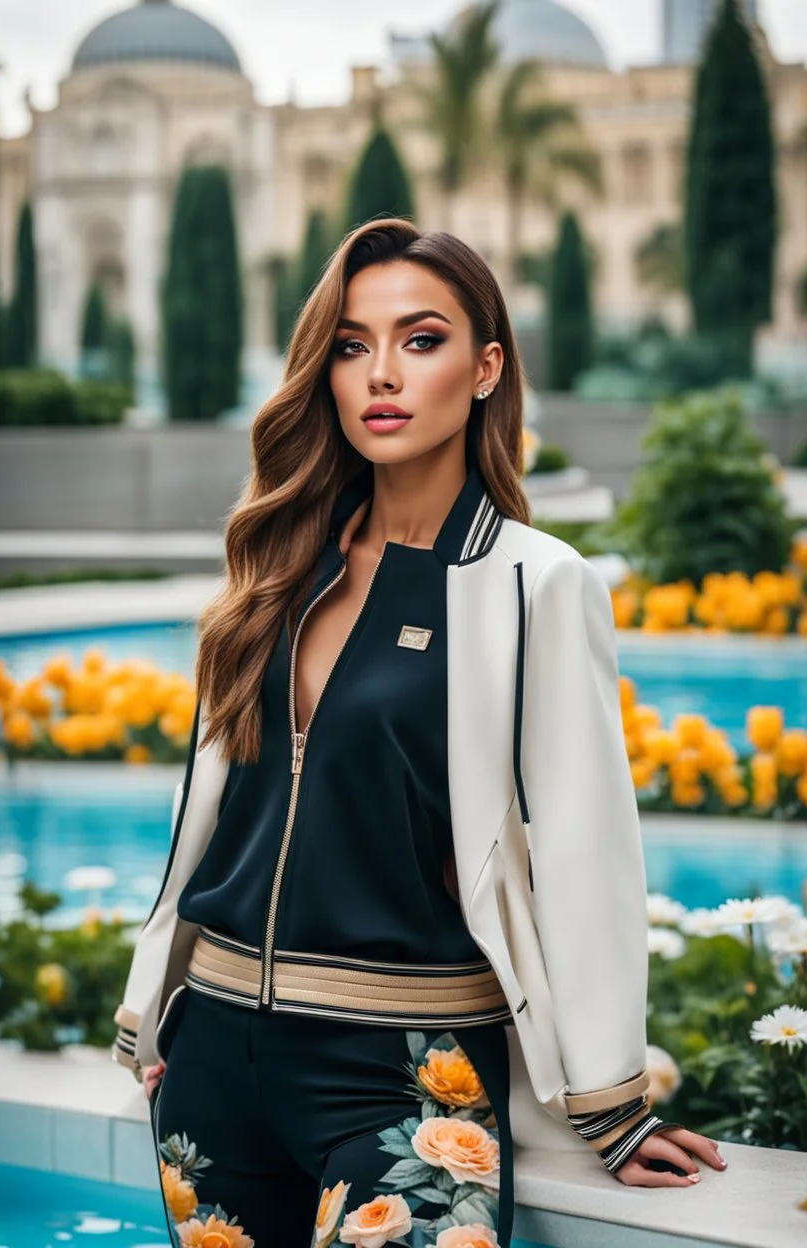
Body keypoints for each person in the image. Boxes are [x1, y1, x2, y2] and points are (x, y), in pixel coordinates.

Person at [112, 219, 726, 1248]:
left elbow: (583, 852)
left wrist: (611, 1103)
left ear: (486, 368)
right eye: (352, 345)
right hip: (211, 1070)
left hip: (408, 1074)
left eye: (421, 339)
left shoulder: (537, 584)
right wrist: (150, 1009)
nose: (380, 374)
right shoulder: (274, 565)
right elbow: (208, 817)